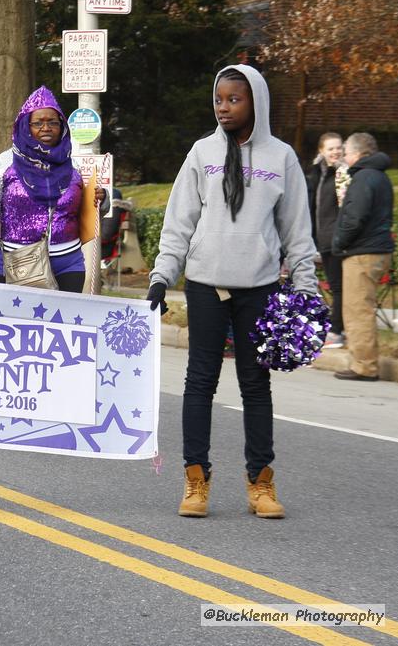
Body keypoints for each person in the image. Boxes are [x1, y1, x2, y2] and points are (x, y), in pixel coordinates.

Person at [146, 64, 317, 520]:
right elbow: (179, 222)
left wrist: (306, 290)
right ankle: (195, 480)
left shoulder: (281, 158)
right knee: (199, 383)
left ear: (255, 102)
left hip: (259, 288)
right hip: (205, 284)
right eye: (219, 99)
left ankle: (261, 483)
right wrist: (162, 277)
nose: (224, 107)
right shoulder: (202, 153)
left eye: (234, 99)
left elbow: (298, 231)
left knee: (255, 385)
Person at [0, 86, 91, 292]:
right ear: (26, 126)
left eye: (52, 122)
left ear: (62, 126)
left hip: (68, 264)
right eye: (38, 123)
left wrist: (101, 202)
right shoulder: (6, 162)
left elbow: (86, 213)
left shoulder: (74, 165)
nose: (46, 127)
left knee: (63, 323)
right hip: (14, 262)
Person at [332, 132, 395, 381]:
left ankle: (364, 366)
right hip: (377, 249)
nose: (344, 156)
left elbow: (354, 218)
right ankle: (366, 362)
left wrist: (339, 243)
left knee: (358, 310)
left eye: (346, 151)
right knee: (363, 308)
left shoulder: (363, 178)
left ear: (358, 153)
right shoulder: (379, 176)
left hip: (362, 252)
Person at [304, 132, 346, 349]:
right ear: (321, 151)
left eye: (339, 147)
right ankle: (337, 328)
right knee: (336, 287)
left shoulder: (342, 173)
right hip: (323, 240)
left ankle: (337, 331)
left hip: (337, 241)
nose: (335, 151)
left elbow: (346, 208)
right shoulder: (317, 174)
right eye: (331, 148)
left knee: (339, 287)